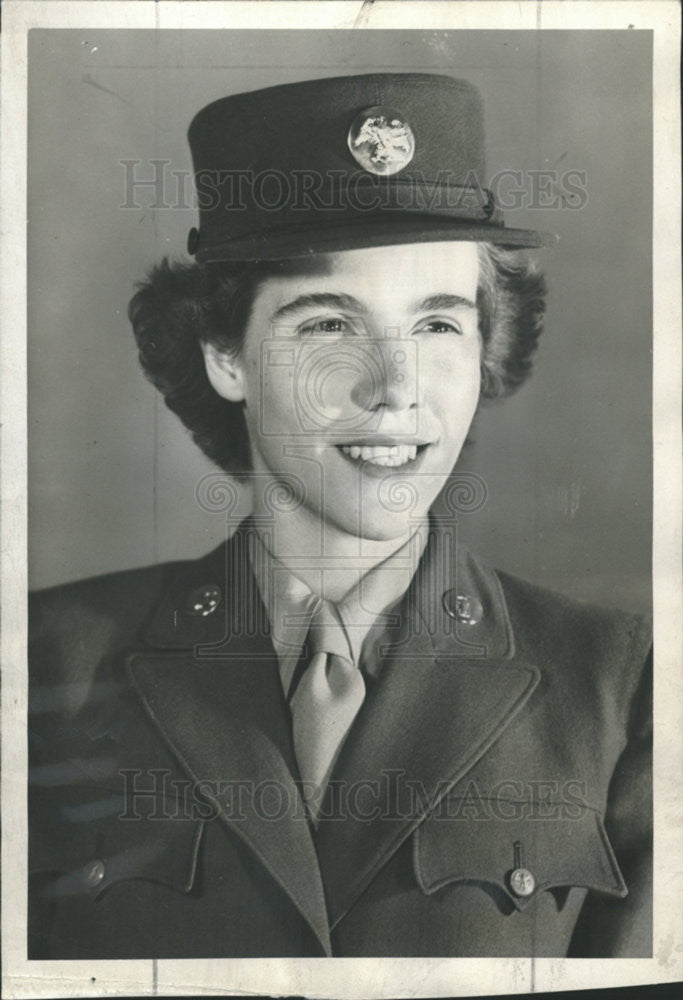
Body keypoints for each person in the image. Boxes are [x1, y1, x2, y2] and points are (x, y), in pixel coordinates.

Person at [28, 72, 652, 959]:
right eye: (327, 326)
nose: (395, 390)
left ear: (486, 352)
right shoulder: (44, 663)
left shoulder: (621, 692)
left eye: (437, 326)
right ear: (224, 357)